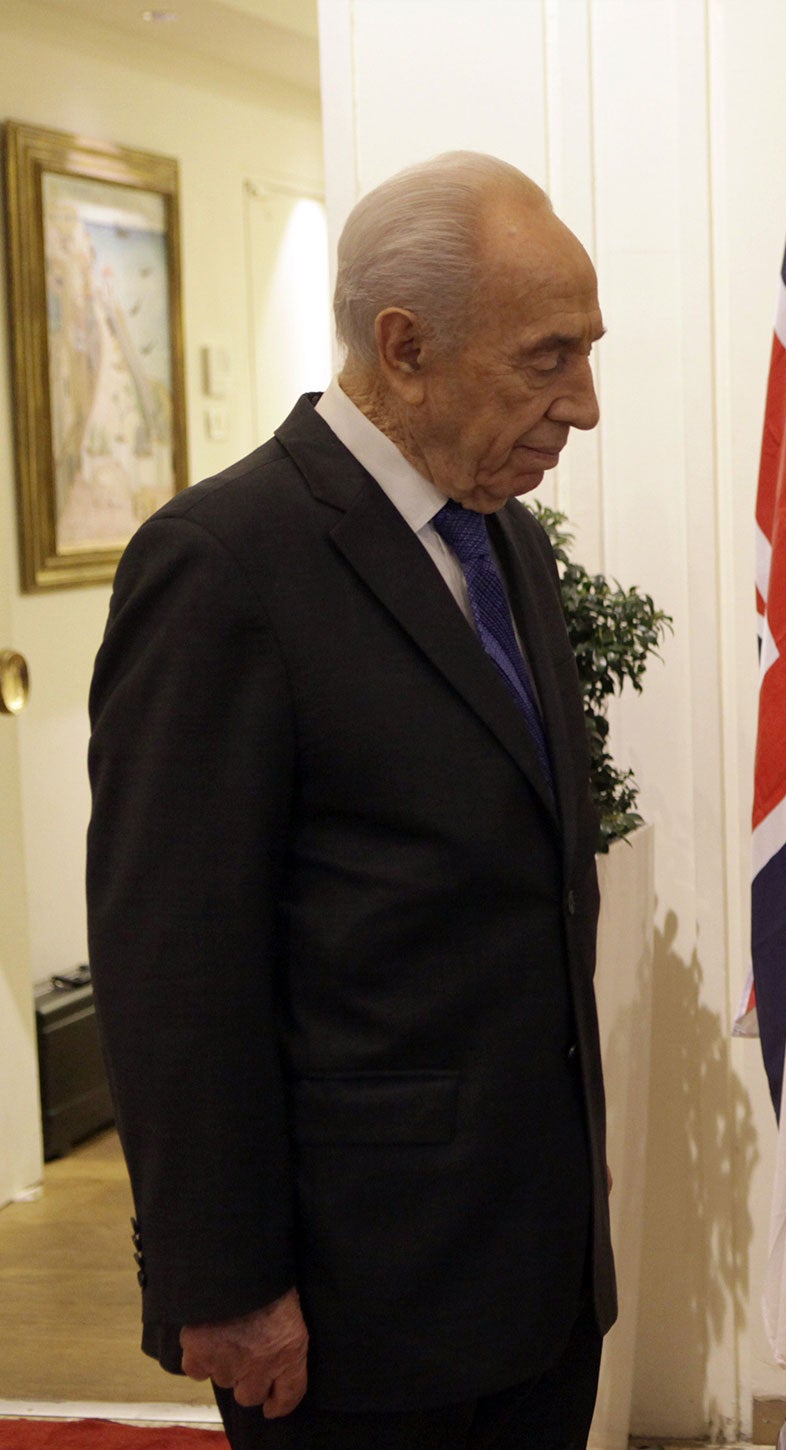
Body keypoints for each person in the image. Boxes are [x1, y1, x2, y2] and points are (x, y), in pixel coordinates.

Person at [87, 151, 614, 1446]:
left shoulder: (509, 540)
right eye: (548, 358)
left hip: (535, 1279)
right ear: (405, 345)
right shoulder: (224, 565)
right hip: (353, 1310)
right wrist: (224, 1280)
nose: (584, 404)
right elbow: (174, 967)